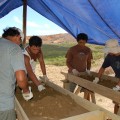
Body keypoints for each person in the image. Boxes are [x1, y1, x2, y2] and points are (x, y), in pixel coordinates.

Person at [0, 27, 33, 120]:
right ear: (18, 37)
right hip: (3, 104)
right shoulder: (14, 48)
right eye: (20, 40)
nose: (20, 43)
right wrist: (26, 91)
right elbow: (21, 79)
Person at [93, 39, 120, 114]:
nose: (109, 52)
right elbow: (102, 68)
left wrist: (118, 86)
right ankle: (115, 116)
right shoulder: (109, 56)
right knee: (116, 100)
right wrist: (97, 78)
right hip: (117, 77)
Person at [65, 33, 93, 100]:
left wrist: (88, 70)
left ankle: (87, 104)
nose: (82, 44)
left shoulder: (88, 50)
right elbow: (67, 62)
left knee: (87, 91)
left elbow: (89, 62)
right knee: (70, 92)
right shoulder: (72, 49)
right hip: (73, 73)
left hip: (83, 73)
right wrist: (73, 70)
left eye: (84, 42)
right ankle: (70, 104)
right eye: (80, 42)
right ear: (77, 41)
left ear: (86, 41)